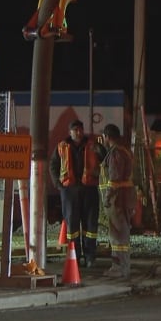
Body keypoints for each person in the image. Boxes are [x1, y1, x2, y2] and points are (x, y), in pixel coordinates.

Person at [49, 119, 105, 268]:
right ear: (70, 132)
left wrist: (100, 147)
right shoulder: (61, 147)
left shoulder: (93, 145)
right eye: (75, 130)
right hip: (69, 191)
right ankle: (75, 256)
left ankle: (90, 256)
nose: (78, 133)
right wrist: (58, 185)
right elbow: (53, 165)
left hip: (89, 189)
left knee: (90, 225)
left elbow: (104, 157)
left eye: (80, 130)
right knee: (72, 226)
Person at [99, 123, 135, 279]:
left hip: (117, 200)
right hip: (124, 198)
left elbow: (114, 179)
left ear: (107, 137)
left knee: (118, 234)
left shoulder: (115, 154)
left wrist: (107, 197)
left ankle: (119, 268)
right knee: (122, 233)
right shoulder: (124, 150)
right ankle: (123, 267)